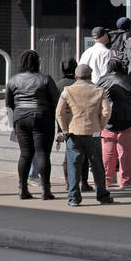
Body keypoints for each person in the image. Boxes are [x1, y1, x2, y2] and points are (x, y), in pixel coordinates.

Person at [4, 49, 60, 200]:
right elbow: (57, 101)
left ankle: (22, 189)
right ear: (38, 63)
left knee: (25, 154)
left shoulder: (13, 80)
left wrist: (12, 124)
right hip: (41, 117)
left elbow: (8, 104)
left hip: (20, 118)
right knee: (42, 154)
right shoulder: (45, 79)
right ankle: (46, 190)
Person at [54, 64, 113, 207]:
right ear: (90, 76)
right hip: (93, 132)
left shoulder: (67, 91)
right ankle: (102, 196)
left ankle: (74, 198)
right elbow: (106, 111)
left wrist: (65, 129)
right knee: (97, 165)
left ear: (76, 77)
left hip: (74, 132)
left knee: (74, 165)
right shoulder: (99, 90)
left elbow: (59, 113)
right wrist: (100, 126)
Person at [97, 57, 131, 188]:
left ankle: (106, 179)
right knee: (126, 152)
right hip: (129, 119)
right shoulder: (130, 80)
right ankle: (125, 180)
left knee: (108, 151)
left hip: (107, 120)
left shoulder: (101, 80)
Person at [55, 59, 83, 193]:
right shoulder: (79, 84)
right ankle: (83, 182)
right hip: (80, 121)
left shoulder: (59, 85)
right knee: (83, 153)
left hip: (64, 122)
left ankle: (68, 181)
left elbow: (57, 108)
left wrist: (59, 128)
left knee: (69, 152)